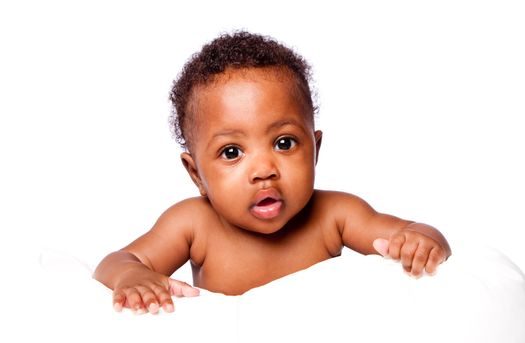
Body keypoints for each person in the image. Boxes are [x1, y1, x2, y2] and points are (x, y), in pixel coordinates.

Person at [94, 31, 451, 314]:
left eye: (284, 143)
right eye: (232, 152)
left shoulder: (336, 215)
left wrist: (422, 240)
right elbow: (118, 262)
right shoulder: (193, 224)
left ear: (315, 149)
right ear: (196, 174)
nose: (264, 170)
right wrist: (133, 275)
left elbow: (410, 232)